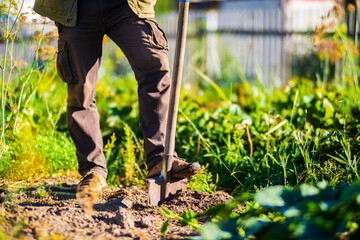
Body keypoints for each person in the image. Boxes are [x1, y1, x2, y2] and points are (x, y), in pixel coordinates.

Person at [34, 0, 200, 212]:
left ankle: (161, 159)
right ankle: (92, 171)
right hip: (76, 7)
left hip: (128, 4)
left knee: (155, 68)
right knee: (81, 89)